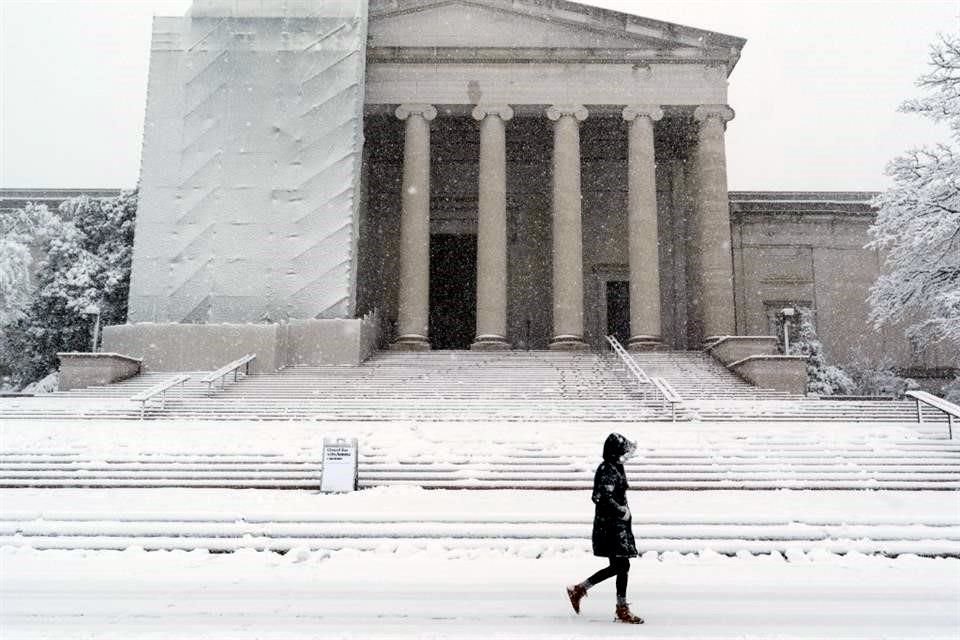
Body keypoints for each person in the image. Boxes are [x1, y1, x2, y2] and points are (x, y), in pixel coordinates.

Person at [566, 432, 643, 624]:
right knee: (621, 566)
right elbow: (602, 498)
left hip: (616, 527)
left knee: (620, 566)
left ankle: (581, 590)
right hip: (611, 528)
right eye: (623, 451)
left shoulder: (615, 467)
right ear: (615, 452)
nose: (626, 454)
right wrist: (621, 511)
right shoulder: (608, 470)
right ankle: (619, 607)